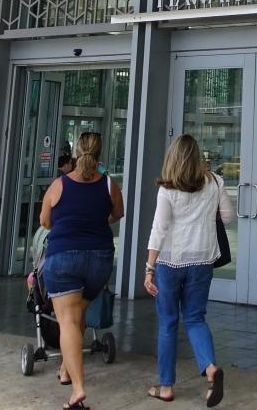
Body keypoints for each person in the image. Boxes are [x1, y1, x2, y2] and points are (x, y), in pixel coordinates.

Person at [145, 134, 234, 407]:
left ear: (172, 158)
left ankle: (166, 387)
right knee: (195, 318)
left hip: (170, 262)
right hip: (203, 260)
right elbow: (228, 217)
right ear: (197, 157)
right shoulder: (215, 182)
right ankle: (210, 369)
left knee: (168, 322)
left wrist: (149, 268)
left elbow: (159, 229)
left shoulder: (167, 188)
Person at [39, 131, 124, 410]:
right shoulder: (109, 184)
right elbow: (118, 214)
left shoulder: (59, 184)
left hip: (64, 258)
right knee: (79, 315)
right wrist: (97, 220)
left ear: (76, 151)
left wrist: (68, 225)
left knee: (68, 321)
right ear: (100, 153)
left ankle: (78, 389)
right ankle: (65, 369)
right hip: (100, 260)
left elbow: (45, 221)